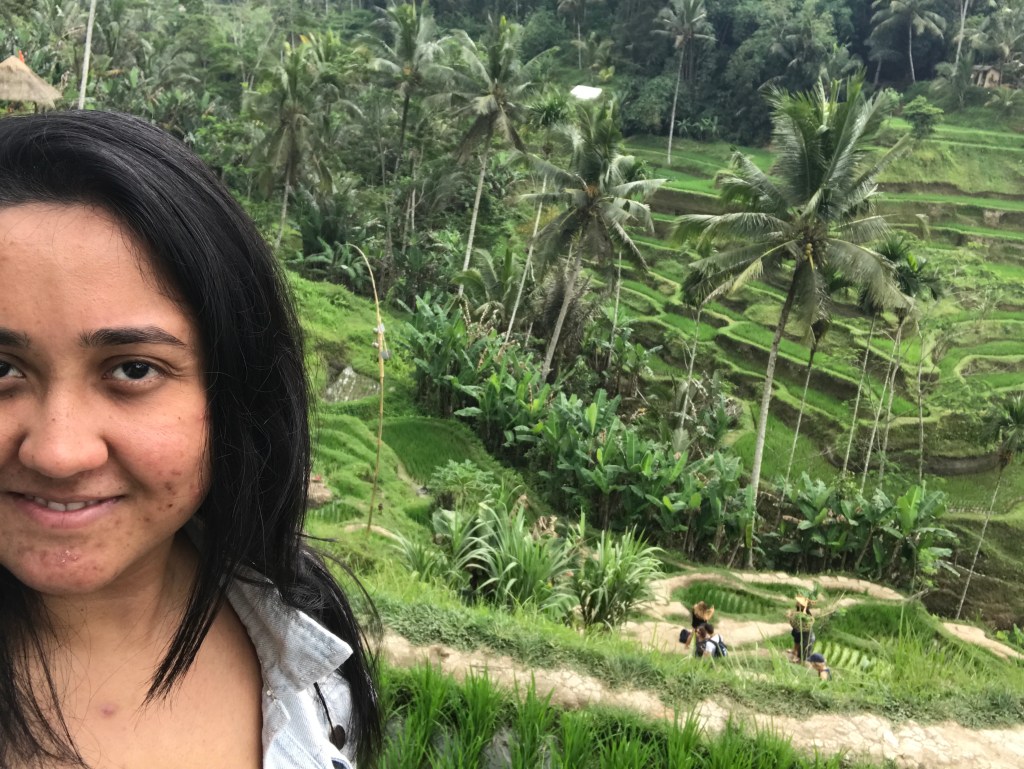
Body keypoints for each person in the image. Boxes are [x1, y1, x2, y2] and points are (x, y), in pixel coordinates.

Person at [0, 111, 381, 769]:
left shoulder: (303, 637)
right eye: (2, 368)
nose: (58, 453)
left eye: (134, 369)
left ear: (232, 393)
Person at [788, 594, 816, 662]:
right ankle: (795, 651)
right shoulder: (798, 611)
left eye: (798, 602)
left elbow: (804, 621)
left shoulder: (806, 614)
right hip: (799, 631)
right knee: (796, 636)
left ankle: (801, 659)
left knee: (804, 645)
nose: (796, 603)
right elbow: (795, 616)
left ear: (802, 605)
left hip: (806, 634)